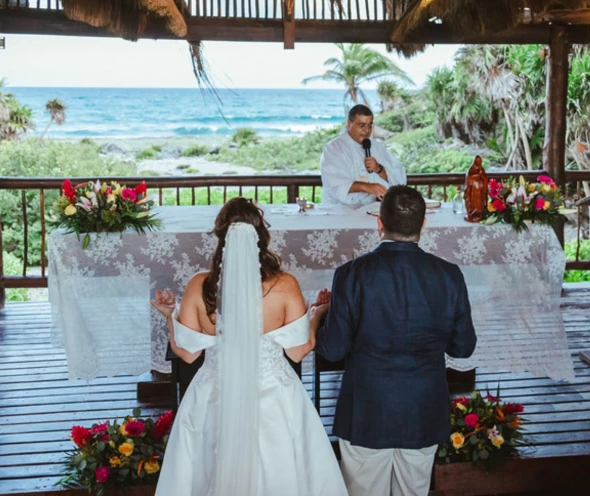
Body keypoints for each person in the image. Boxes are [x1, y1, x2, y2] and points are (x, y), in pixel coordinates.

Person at [151, 197, 347, 496]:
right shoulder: (285, 285)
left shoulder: (199, 286)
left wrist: (169, 317)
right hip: (273, 394)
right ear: (261, 238)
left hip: (214, 393)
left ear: (221, 238)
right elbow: (299, 349)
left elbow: (187, 352)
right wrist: (316, 315)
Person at [316, 185, 477, 496]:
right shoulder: (449, 274)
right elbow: (463, 347)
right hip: (422, 409)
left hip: (366, 409)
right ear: (423, 225)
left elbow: (333, 348)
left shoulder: (351, 274)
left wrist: (319, 319)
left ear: (379, 222)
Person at [320, 104, 406, 207]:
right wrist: (367, 187)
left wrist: (379, 169)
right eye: (362, 126)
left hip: (373, 209)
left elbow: (398, 177)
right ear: (349, 124)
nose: (367, 131)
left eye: (370, 126)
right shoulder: (334, 148)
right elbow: (336, 185)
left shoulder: (376, 146)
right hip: (341, 211)